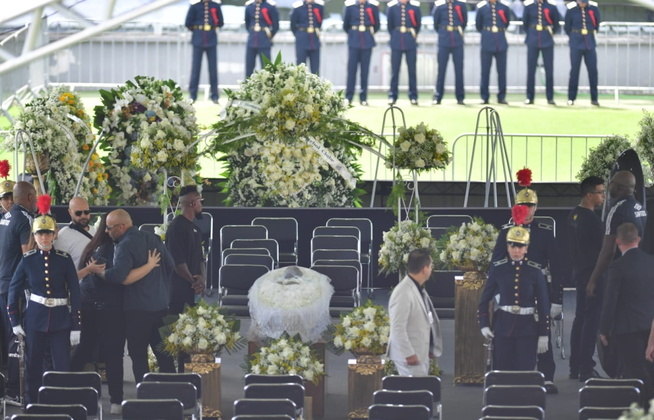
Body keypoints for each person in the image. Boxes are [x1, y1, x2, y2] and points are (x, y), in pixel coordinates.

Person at [72, 214, 160, 415]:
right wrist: (148, 266)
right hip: (113, 309)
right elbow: (121, 278)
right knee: (114, 356)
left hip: (89, 307)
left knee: (84, 351)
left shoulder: (92, 247)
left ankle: (65, 389)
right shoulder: (120, 248)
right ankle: (116, 400)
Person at [492, 184, 564, 393]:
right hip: (511, 289)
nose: (527, 208)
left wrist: (557, 298)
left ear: (536, 207)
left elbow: (557, 266)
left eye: (531, 204)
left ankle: (546, 375)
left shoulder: (544, 232)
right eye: (523, 204)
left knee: (543, 331)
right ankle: (511, 373)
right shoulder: (505, 232)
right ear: (516, 206)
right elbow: (496, 263)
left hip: (539, 288)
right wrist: (497, 291)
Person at [7, 208, 81, 405]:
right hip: (35, 319)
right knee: (33, 366)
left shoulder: (64, 260)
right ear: (34, 235)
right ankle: (33, 403)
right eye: (40, 233)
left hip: (60, 320)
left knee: (62, 366)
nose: (44, 238)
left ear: (54, 234)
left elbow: (75, 292)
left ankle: (62, 402)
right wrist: (15, 321)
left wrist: (76, 325)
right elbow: (13, 291)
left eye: (48, 233)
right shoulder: (28, 259)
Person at [100, 209, 175, 383]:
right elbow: (170, 266)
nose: (106, 231)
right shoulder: (154, 239)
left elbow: (118, 276)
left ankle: (145, 394)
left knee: (139, 354)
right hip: (161, 305)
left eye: (109, 228)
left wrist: (101, 273)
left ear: (121, 227)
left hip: (137, 309)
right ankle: (174, 391)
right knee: (164, 353)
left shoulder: (126, 244)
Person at [479, 226, 550, 370]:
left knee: (525, 370)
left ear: (526, 248)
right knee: (502, 369)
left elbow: (543, 304)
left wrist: (544, 333)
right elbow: (484, 300)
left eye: (520, 247)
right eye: (512, 246)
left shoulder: (534, 270)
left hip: (527, 328)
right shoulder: (498, 268)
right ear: (507, 247)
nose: (516, 251)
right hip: (503, 326)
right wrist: (484, 323)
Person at [599, 222, 654, 407]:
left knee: (633, 370)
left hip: (626, 328)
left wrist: (604, 329)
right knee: (650, 369)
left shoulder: (617, 267)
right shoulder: (651, 262)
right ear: (639, 239)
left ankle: (639, 407)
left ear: (617, 241)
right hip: (650, 326)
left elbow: (610, 302)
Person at [0, 181, 37, 404]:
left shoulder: (4, 217)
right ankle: (15, 390)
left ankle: (8, 387)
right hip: (15, 287)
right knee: (17, 338)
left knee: (6, 338)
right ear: (31, 197)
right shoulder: (24, 219)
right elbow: (28, 255)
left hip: (2, 284)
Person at [567, 176, 605, 381]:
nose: (603, 196)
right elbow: (603, 250)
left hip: (580, 273)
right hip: (592, 277)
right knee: (590, 321)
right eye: (600, 192)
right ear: (589, 195)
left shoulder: (574, 215)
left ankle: (575, 365)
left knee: (580, 319)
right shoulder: (591, 219)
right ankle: (586, 367)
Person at [586, 170, 647, 297]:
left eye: (611, 183)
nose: (608, 186)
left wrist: (593, 279)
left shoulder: (617, 210)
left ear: (618, 187)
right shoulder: (640, 207)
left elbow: (608, 251)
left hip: (621, 272)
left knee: (613, 312)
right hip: (640, 270)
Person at [165, 186, 206, 372]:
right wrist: (192, 281)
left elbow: (199, 259)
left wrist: (201, 280)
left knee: (190, 332)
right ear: (192, 203)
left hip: (192, 290)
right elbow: (177, 262)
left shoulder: (194, 227)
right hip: (178, 291)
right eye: (200, 201)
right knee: (179, 333)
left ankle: (187, 371)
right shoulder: (176, 227)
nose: (201, 205)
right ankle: (178, 374)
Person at [387, 248, 443, 376]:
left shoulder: (417, 288)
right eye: (430, 266)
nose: (431, 270)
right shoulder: (403, 292)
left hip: (419, 352)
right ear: (424, 269)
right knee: (413, 393)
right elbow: (397, 327)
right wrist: (408, 354)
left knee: (419, 392)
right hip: (409, 357)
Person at [185, 0, 224, 104]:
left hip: (211, 39)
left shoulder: (215, 5)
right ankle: (193, 95)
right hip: (198, 39)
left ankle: (215, 96)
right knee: (195, 69)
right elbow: (188, 23)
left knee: (213, 69)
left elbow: (221, 22)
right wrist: (198, 29)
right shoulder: (195, 6)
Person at [343, 0, 380, 106]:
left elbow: (376, 25)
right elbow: (346, 25)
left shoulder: (372, 6)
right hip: (354, 41)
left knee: (365, 71)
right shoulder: (350, 6)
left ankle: (363, 97)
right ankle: (349, 97)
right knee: (351, 71)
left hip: (367, 41)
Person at [522, 0, 560, 105]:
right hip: (532, 39)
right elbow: (525, 23)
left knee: (549, 70)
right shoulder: (529, 6)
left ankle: (550, 97)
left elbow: (556, 23)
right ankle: (530, 97)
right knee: (531, 70)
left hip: (547, 39)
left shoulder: (551, 6)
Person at [564, 0, 600, 106]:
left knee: (593, 71)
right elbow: (567, 27)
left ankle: (594, 99)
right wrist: (574, 37)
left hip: (589, 42)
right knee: (574, 71)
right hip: (576, 42)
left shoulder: (593, 7)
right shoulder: (571, 8)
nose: (582, 4)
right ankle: (571, 98)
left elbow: (596, 24)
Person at [432, 0, 467, 105]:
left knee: (459, 70)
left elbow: (464, 21)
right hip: (444, 40)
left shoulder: (461, 5)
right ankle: (438, 96)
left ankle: (460, 97)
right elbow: (436, 24)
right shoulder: (439, 5)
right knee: (441, 70)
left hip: (457, 40)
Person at [475, 0, 511, 105]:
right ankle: (484, 97)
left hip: (500, 41)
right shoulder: (481, 7)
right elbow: (479, 25)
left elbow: (506, 23)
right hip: (487, 41)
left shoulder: (504, 7)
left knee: (501, 72)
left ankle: (501, 97)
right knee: (485, 71)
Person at [386, 0, 421, 106]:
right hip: (396, 40)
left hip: (410, 40)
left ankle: (413, 96)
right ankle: (392, 96)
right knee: (394, 70)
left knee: (412, 70)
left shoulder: (415, 7)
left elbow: (417, 25)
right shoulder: (392, 7)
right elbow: (390, 26)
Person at [54, 197, 96, 269]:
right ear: (70, 212)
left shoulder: (95, 231)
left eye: (86, 212)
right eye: (78, 213)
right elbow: (59, 268)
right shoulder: (63, 235)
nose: (83, 216)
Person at [245, 0, 279, 77]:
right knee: (249, 67)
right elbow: (247, 23)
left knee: (266, 68)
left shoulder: (270, 6)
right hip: (252, 39)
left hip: (264, 40)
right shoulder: (249, 6)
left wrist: (269, 35)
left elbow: (275, 25)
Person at [290, 0, 324, 75]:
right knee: (300, 67)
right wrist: (299, 35)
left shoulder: (319, 6)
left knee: (315, 68)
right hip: (302, 39)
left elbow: (319, 23)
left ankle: (315, 86)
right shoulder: (297, 7)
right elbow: (293, 25)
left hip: (314, 40)